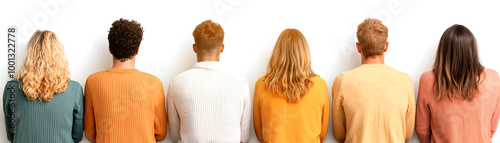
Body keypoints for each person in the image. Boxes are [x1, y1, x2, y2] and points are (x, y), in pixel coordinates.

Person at [331, 18, 415, 143]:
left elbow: (339, 135)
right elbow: (407, 135)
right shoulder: (405, 81)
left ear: (358, 47)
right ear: (386, 46)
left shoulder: (342, 81)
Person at [84, 18, 167, 143]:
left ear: (110, 49)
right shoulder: (154, 83)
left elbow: (90, 134)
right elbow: (160, 133)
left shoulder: (93, 81)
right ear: (137, 50)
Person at [167, 19, 251, 143]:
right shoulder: (241, 84)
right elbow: (243, 137)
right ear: (222, 48)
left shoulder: (177, 83)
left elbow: (174, 135)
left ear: (195, 48)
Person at [416, 24, 500, 143]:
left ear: (443, 51)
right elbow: (491, 128)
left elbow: (422, 130)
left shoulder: (428, 80)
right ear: (472, 50)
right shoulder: (493, 77)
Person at [2, 30, 84, 143]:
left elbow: (11, 135)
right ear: (59, 54)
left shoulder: (11, 88)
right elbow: (77, 136)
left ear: (30, 55)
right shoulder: (74, 89)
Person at [253, 28, 329, 143]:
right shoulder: (320, 85)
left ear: (277, 53)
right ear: (304, 54)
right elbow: (322, 134)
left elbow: (260, 133)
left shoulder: (261, 85)